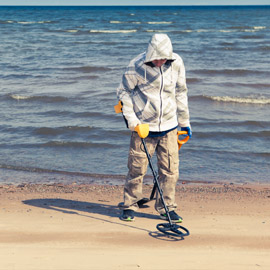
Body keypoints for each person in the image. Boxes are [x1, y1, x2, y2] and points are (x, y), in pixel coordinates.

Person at [116, 33, 192, 222]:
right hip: (143, 128)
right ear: (150, 54)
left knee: (170, 171)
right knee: (137, 169)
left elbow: (181, 92)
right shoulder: (136, 66)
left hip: (169, 126)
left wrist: (184, 123)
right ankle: (130, 205)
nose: (160, 62)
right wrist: (133, 122)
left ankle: (167, 207)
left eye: (163, 58)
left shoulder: (177, 63)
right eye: (157, 58)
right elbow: (123, 92)